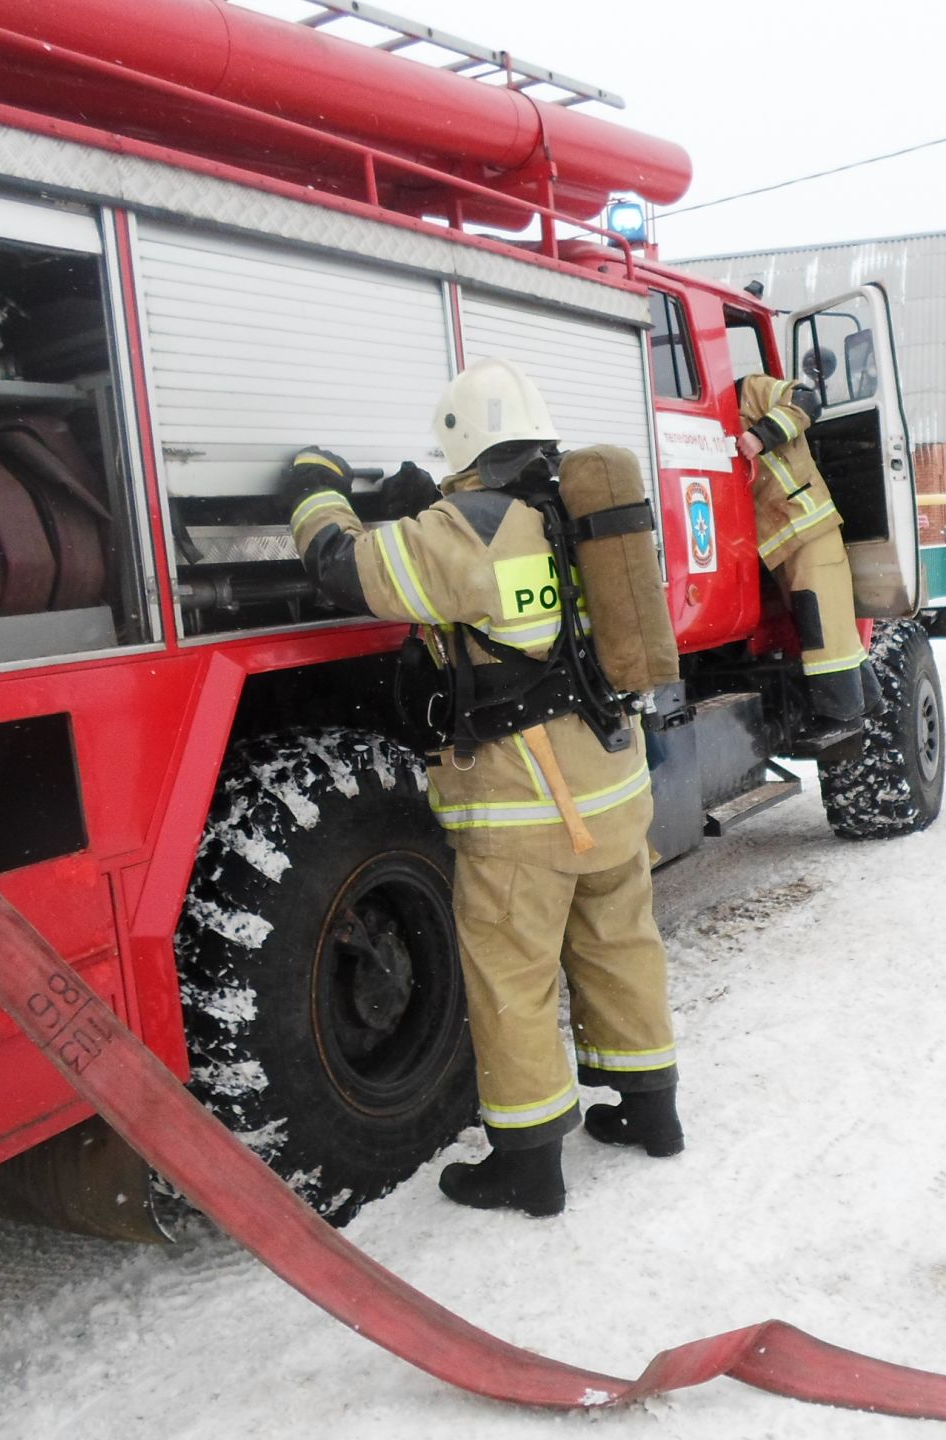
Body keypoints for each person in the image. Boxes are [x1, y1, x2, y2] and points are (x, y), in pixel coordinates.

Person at [287, 357, 682, 1217]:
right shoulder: (580, 516)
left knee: (514, 978)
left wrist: (318, 486)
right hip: (615, 786)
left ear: (463, 443)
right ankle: (652, 1115)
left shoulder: (465, 527)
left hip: (530, 808)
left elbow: (341, 566)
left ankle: (527, 1168)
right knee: (620, 946)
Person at [734, 371, 873, 730]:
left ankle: (839, 717)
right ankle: (867, 701)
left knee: (821, 627)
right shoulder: (715, 413)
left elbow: (806, 400)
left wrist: (760, 435)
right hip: (778, 546)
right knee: (831, 626)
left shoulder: (749, 390)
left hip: (808, 525)